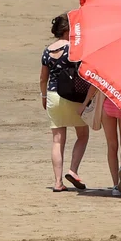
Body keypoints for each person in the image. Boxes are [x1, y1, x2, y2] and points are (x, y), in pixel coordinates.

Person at [39, 14, 91, 192]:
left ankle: (57, 182)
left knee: (57, 140)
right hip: (73, 95)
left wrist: (44, 97)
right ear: (67, 30)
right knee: (82, 135)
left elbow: (42, 78)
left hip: (53, 95)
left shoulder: (47, 51)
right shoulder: (74, 48)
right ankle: (73, 170)